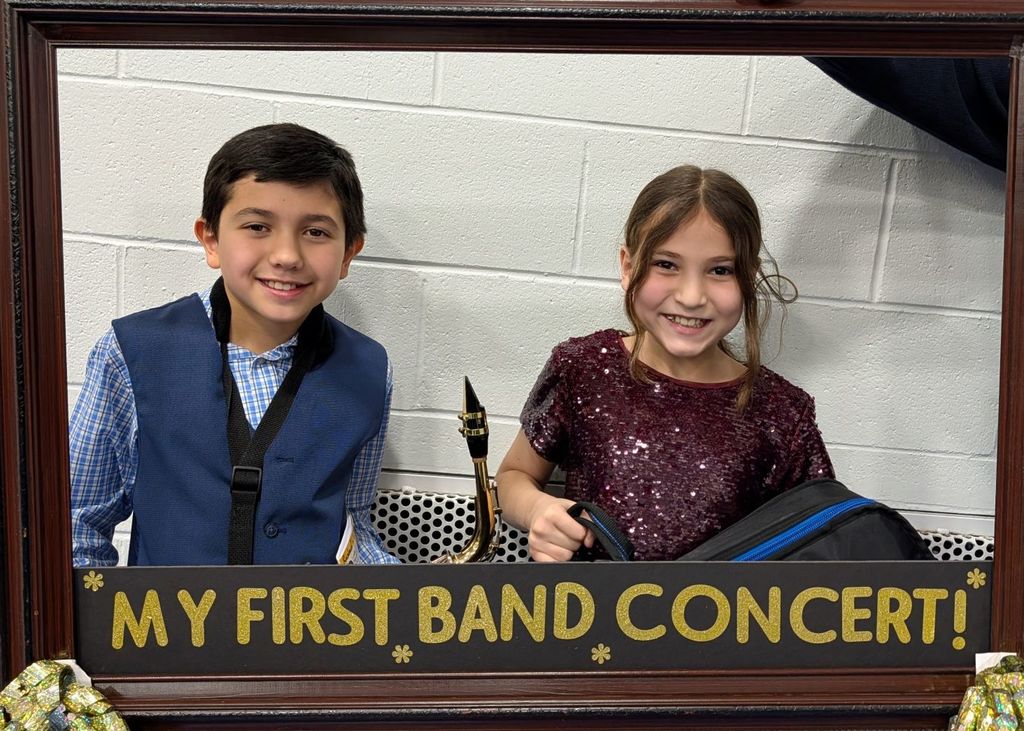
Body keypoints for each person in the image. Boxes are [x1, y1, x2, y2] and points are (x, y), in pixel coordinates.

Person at [70, 123, 398, 566]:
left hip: (309, 633)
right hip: (167, 632)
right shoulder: (129, 353)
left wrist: (400, 600)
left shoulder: (372, 369)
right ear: (211, 240)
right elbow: (77, 524)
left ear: (347, 254)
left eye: (316, 232)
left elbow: (354, 517)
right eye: (258, 226)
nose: (287, 255)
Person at [496, 165, 834, 562]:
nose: (692, 296)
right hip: (587, 617)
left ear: (747, 279)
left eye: (720, 270)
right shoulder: (583, 368)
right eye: (667, 264)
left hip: (716, 623)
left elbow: (819, 546)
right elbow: (513, 476)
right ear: (627, 266)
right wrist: (539, 509)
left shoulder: (782, 414)